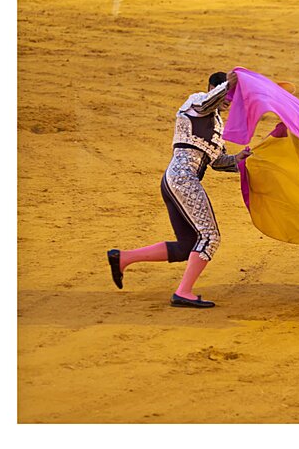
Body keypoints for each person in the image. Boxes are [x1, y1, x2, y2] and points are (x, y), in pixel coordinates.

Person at [107, 71, 251, 308]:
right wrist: (228, 85)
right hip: (183, 179)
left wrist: (240, 158)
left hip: (176, 180)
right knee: (209, 236)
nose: (229, 100)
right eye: (228, 95)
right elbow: (208, 102)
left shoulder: (216, 124)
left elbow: (217, 162)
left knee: (187, 245)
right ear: (213, 86)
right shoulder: (196, 101)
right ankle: (183, 292)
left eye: (233, 97)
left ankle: (123, 258)